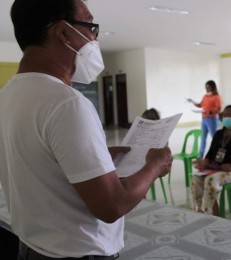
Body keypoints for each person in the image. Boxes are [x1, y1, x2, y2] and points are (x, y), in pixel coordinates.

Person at [0, 0, 173, 259]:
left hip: (32, 248)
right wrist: (154, 166)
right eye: (91, 27)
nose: (94, 39)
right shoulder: (66, 103)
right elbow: (112, 205)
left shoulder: (8, 95)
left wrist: (98, 156)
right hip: (76, 252)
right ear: (64, 32)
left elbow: (39, 161)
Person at [191, 105, 231, 216]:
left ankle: (211, 214)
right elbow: (210, 153)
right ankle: (198, 211)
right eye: (224, 115)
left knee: (210, 180)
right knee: (196, 178)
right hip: (215, 168)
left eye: (230, 115)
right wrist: (205, 162)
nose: (226, 117)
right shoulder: (218, 134)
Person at [187, 80, 222, 158]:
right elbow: (200, 105)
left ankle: (219, 156)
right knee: (203, 139)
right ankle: (200, 156)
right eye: (206, 87)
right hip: (204, 119)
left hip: (212, 119)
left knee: (215, 138)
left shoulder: (217, 97)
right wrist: (192, 101)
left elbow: (219, 109)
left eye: (209, 87)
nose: (207, 88)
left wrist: (210, 111)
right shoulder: (205, 96)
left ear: (213, 87)